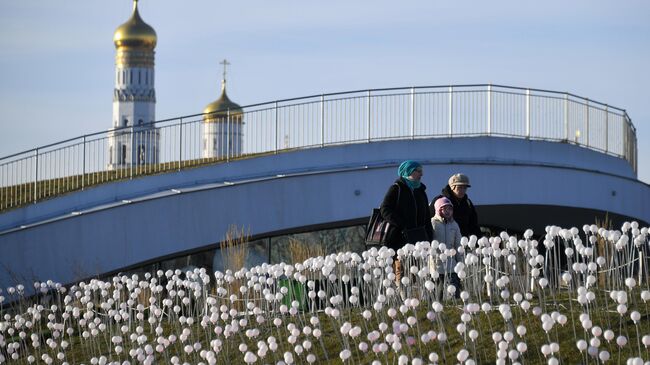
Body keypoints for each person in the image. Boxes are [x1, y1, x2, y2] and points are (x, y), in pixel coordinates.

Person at [380, 161, 434, 282]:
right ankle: (402, 297)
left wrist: (429, 237)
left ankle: (417, 299)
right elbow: (385, 209)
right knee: (402, 272)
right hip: (399, 239)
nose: (422, 174)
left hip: (418, 239)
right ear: (408, 172)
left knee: (418, 271)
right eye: (418, 171)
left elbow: (426, 217)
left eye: (421, 171)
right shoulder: (396, 188)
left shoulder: (421, 191)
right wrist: (402, 224)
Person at [429, 196, 463, 298]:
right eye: (444, 209)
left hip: (451, 263)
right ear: (438, 210)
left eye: (450, 209)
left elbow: (458, 244)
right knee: (438, 288)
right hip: (436, 264)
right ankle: (437, 304)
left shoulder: (454, 225)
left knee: (454, 285)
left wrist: (460, 261)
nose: (448, 211)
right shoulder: (432, 223)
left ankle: (455, 305)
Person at [430, 173, 481, 238]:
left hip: (463, 242)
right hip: (443, 243)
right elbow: (429, 220)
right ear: (452, 187)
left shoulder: (468, 203)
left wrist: (478, 240)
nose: (462, 190)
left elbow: (473, 224)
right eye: (459, 187)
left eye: (465, 188)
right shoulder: (439, 201)